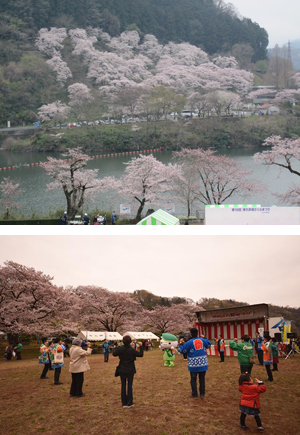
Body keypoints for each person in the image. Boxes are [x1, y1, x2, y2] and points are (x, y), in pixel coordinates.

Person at [178, 327, 211, 399]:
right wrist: (204, 337)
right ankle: (202, 394)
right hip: (203, 363)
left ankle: (194, 394)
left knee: (193, 379)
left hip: (193, 364)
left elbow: (182, 351)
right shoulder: (203, 340)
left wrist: (181, 343)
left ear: (191, 334)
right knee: (202, 379)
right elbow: (209, 344)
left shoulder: (189, 343)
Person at [113, 335, 144, 408]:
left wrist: (117, 346)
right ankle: (129, 402)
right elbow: (140, 354)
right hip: (130, 369)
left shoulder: (120, 349)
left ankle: (124, 403)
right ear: (130, 342)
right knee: (129, 386)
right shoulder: (131, 350)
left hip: (122, 369)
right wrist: (141, 347)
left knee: (123, 386)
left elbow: (114, 353)